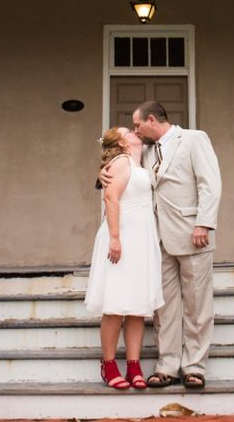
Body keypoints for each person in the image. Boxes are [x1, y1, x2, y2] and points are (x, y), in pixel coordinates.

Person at [103, 101, 222, 389]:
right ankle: (167, 365)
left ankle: (194, 366)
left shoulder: (194, 139)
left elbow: (211, 183)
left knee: (196, 304)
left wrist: (203, 223)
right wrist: (102, 174)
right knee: (164, 307)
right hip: (157, 240)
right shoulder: (143, 150)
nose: (135, 130)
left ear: (152, 119)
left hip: (193, 234)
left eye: (137, 124)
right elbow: (121, 173)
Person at [84, 126, 164, 390]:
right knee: (116, 303)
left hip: (142, 238)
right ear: (121, 142)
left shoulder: (144, 156)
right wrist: (115, 237)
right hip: (123, 235)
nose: (133, 131)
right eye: (127, 131)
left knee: (137, 306)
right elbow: (111, 197)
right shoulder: (120, 162)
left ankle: (134, 365)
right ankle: (108, 366)